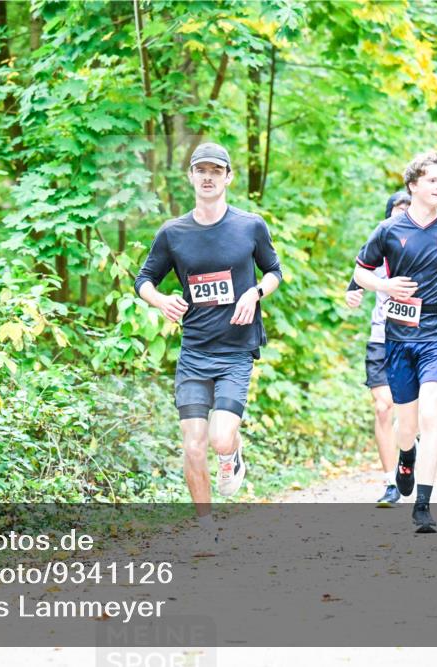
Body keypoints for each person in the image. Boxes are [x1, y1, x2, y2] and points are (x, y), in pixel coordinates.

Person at [134, 142, 282, 547]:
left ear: (228, 177)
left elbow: (274, 271)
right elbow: (143, 279)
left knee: (218, 439)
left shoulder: (250, 225)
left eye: (216, 170)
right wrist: (161, 299)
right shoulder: (173, 233)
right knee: (193, 446)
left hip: (236, 350)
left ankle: (231, 455)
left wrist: (254, 293)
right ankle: (204, 529)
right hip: (194, 351)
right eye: (201, 170)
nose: (208, 177)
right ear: (191, 177)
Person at [352, 150, 437, 533]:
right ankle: (405, 455)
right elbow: (360, 274)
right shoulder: (389, 230)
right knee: (405, 424)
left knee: (431, 414)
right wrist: (385, 284)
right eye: (431, 180)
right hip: (398, 338)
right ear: (413, 186)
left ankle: (423, 506)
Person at [344, 191, 414, 507]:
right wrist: (353, 294)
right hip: (380, 338)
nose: (402, 217)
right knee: (383, 407)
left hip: (415, 340)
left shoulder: (425, 247)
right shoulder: (377, 244)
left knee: (409, 415)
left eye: (408, 211)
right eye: (397, 212)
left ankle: (408, 454)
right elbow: (357, 278)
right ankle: (390, 483)